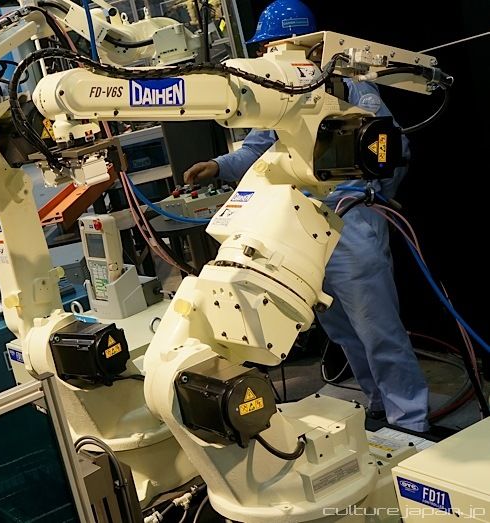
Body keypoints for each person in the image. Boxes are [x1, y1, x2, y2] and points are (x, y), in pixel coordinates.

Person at [183, 0, 430, 432]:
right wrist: (217, 167)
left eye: (274, 46)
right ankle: (377, 403)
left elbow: (392, 150)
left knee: (377, 329)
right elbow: (255, 151)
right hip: (303, 228)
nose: (268, 56)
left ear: (309, 47)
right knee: (341, 328)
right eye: (264, 49)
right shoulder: (279, 97)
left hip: (351, 224)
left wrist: (368, 198)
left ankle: (410, 421)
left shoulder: (351, 91)